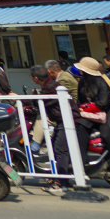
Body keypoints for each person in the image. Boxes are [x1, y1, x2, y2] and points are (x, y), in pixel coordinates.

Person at [30, 64, 77, 193]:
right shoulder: (50, 85)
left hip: (67, 121)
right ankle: (60, 177)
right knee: (55, 146)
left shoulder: (49, 88)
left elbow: (42, 104)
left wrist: (32, 98)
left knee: (60, 150)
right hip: (64, 120)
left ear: (35, 78)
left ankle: (61, 182)